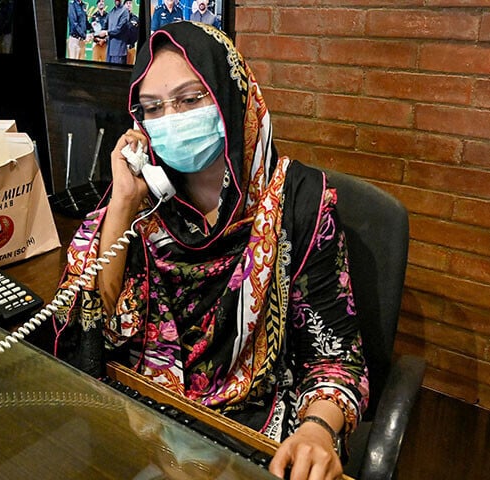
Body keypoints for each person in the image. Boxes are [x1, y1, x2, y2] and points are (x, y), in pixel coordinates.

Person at [53, 22, 369, 480]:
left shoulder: (300, 202)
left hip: (251, 427)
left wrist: (317, 430)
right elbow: (84, 331)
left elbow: (335, 357)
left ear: (229, 95)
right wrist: (123, 201)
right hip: (146, 419)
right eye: (152, 108)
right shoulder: (140, 206)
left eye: (189, 99)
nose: (171, 119)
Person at [102, 0, 129, 64]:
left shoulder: (125, 11)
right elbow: (105, 25)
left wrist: (106, 33)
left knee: (116, 72)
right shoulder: (111, 12)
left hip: (119, 50)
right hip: (109, 49)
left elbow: (120, 29)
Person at [124, 0, 139, 65]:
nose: (128, 5)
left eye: (130, 3)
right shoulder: (119, 18)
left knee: (129, 70)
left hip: (131, 49)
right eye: (127, 3)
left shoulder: (136, 18)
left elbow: (138, 33)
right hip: (121, 50)